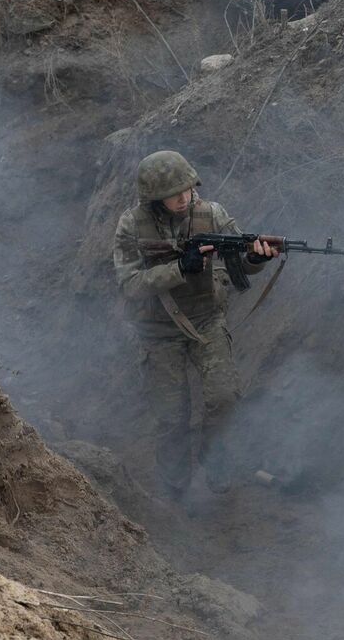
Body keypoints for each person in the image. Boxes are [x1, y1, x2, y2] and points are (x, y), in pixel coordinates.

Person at [113, 150, 278, 497]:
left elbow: (241, 257)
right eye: (174, 193)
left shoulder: (211, 214)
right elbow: (130, 285)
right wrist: (179, 269)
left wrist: (255, 258)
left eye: (187, 189)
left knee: (225, 397)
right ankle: (175, 488)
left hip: (206, 320)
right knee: (171, 417)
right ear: (154, 196)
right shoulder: (132, 224)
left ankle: (216, 464)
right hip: (158, 331)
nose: (183, 197)